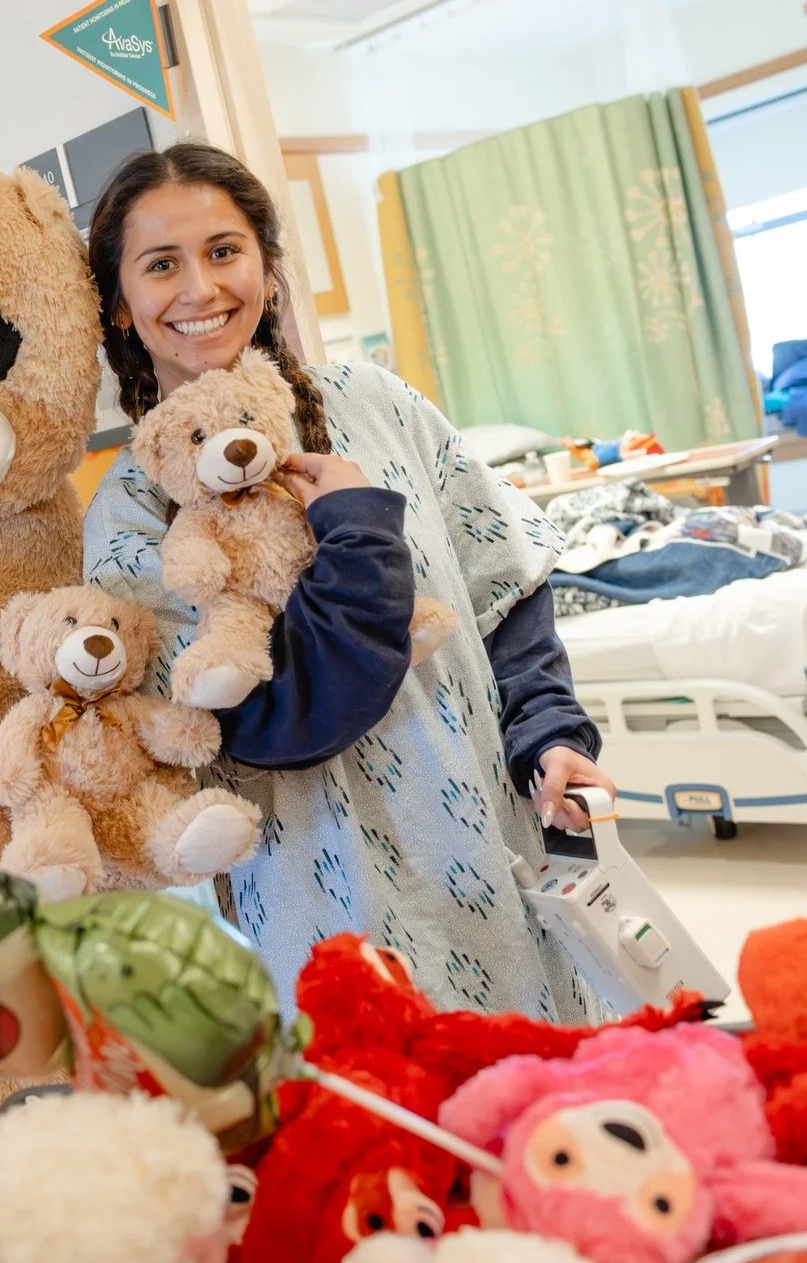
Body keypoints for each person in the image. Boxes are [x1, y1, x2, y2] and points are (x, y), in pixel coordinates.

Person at [83, 143, 616, 1023]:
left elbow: (502, 589)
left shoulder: (378, 404)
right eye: (161, 264)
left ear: (267, 269)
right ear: (119, 303)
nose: (200, 288)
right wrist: (359, 531)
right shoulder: (132, 510)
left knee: (546, 1098)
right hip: (327, 912)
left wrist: (551, 734)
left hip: (502, 855)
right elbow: (275, 724)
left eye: (224, 251)